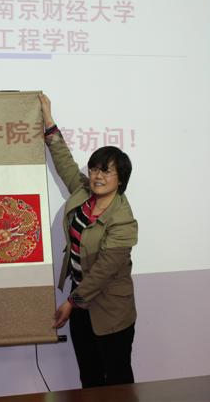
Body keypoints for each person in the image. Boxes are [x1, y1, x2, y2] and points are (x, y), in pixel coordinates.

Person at [39, 94, 138, 388]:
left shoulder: (123, 219)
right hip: (80, 302)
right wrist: (48, 121)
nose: (97, 176)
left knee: (118, 380)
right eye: (94, 169)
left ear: (120, 178)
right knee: (90, 378)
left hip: (110, 309)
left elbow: (103, 272)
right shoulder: (84, 194)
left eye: (106, 171)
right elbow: (65, 163)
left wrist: (71, 303)